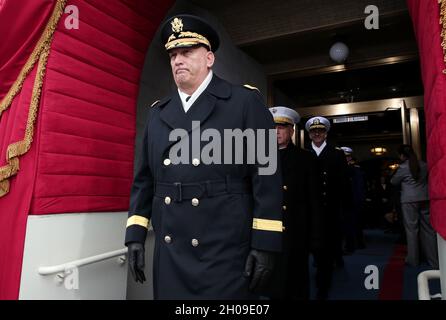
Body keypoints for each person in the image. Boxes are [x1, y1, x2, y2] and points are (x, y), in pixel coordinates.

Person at [124, 14, 283, 299]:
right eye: (173, 54)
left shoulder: (244, 102)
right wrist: (135, 235)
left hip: (224, 250)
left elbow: (267, 176)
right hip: (171, 251)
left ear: (209, 58)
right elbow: (144, 180)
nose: (177, 60)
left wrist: (265, 243)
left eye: (187, 52)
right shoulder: (158, 113)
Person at [263, 106, 324, 300]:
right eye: (272, 127)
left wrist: (315, 236)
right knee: (272, 285)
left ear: (292, 131)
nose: (277, 131)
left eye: (282, 127)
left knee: (297, 283)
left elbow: (314, 200)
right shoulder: (259, 159)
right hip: (268, 232)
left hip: (297, 231)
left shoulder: (306, 158)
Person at [305, 116, 350, 300]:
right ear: (309, 134)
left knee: (326, 251)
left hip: (329, 210)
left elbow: (343, 184)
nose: (317, 133)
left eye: (320, 131)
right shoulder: (304, 153)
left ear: (326, 133)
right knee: (312, 249)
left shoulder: (337, 154)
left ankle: (323, 286)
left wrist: (344, 210)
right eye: (314, 131)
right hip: (308, 211)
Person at [390, 144, 438, 268]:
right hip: (425, 198)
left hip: (409, 200)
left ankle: (413, 260)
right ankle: (434, 261)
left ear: (402, 155)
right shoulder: (424, 165)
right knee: (428, 230)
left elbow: (393, 181)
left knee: (411, 230)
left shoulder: (403, 167)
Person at [340, 147, 366, 251]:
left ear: (349, 157)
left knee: (352, 224)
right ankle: (356, 244)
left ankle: (353, 245)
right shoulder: (345, 168)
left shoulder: (354, 169)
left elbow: (358, 187)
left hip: (353, 200)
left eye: (346, 157)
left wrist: (359, 200)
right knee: (350, 224)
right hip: (348, 200)